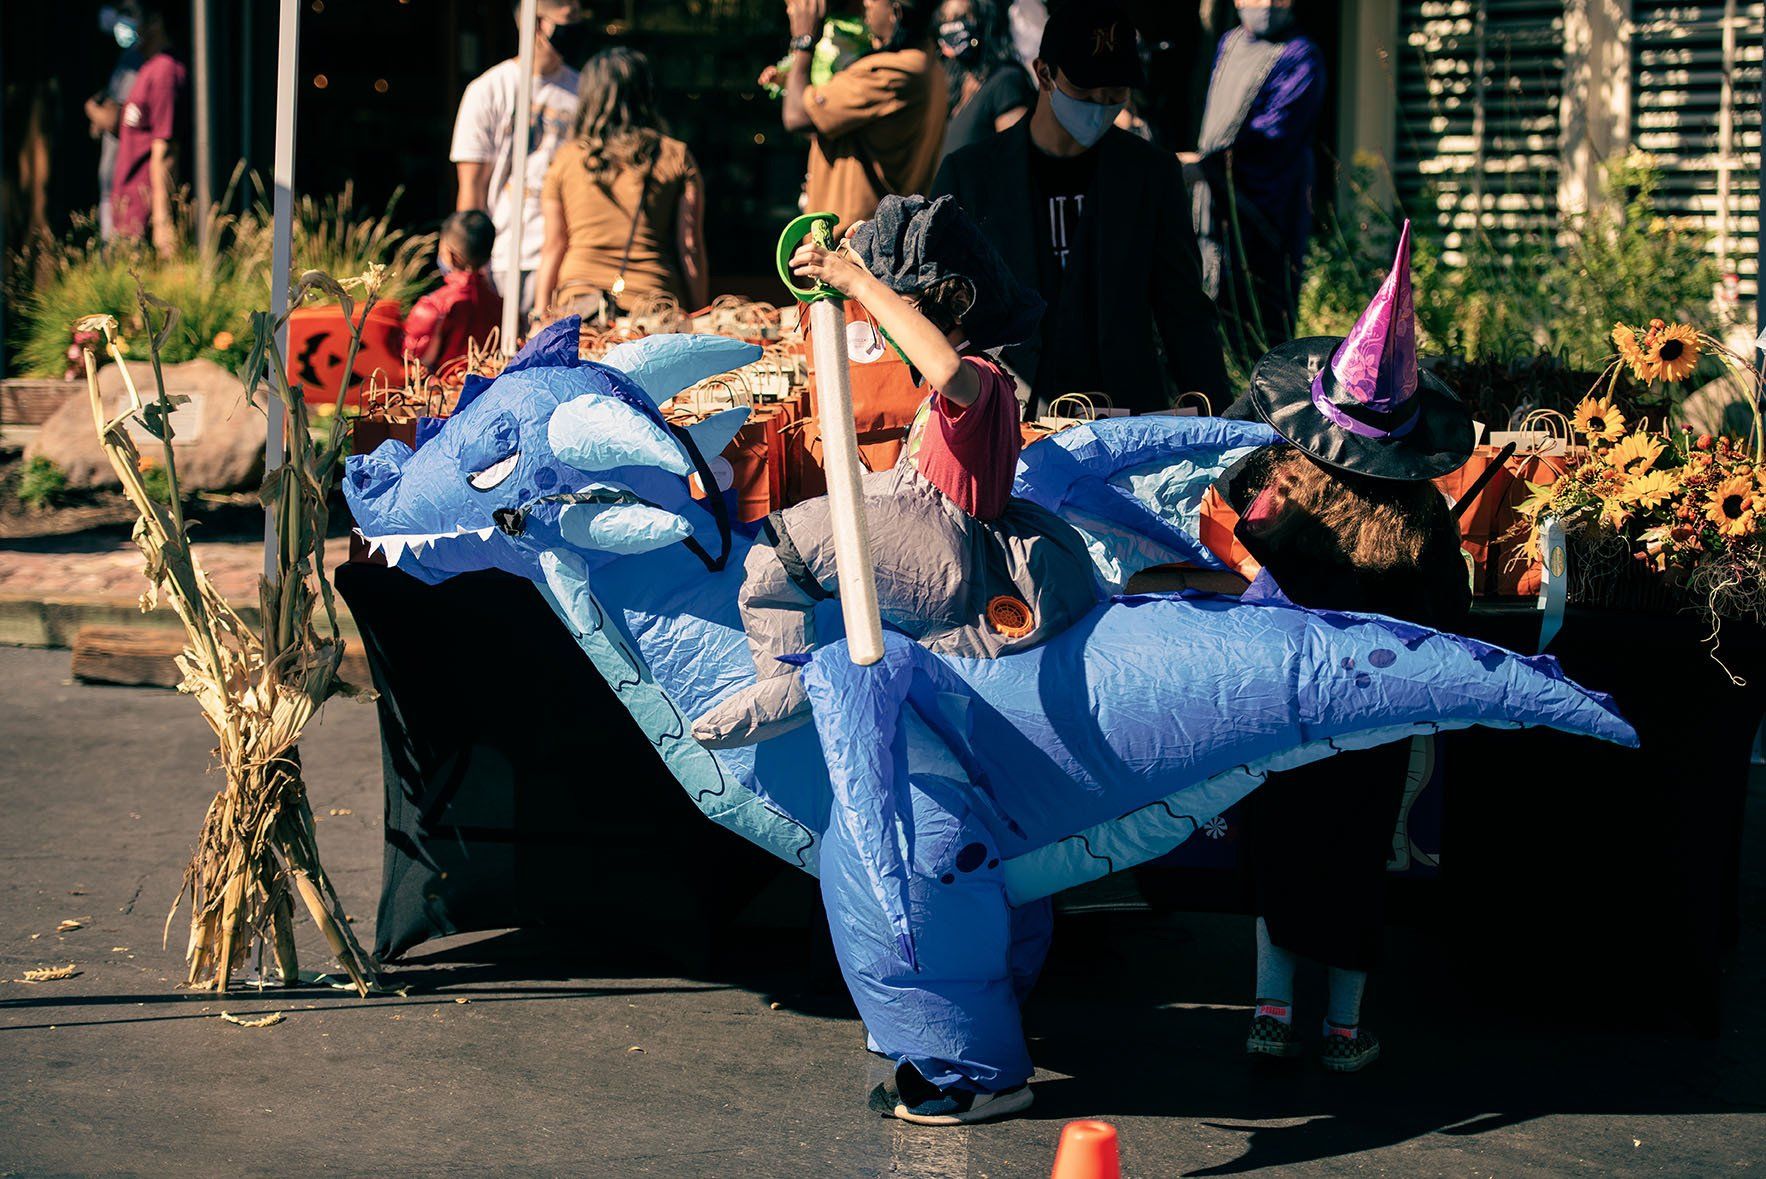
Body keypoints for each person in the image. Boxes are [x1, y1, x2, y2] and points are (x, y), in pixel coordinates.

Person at [1220, 221, 1473, 1073]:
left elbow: (1221, 476)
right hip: (1374, 729)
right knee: (1357, 865)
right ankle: (1342, 1028)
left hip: (1281, 714)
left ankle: (1268, 1011)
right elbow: (1451, 619)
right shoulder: (1426, 523)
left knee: (1278, 856)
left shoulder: (1279, 494)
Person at [932, 3, 1229, 417]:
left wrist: (1223, 421)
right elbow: (939, 310)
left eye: (1115, 95)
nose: (1100, 107)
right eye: (1085, 93)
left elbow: (1183, 311)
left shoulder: (1150, 173)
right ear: (1044, 73)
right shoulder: (971, 175)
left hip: (1124, 414)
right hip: (1012, 414)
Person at [1182, 0, 1325, 359]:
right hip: (1213, 202)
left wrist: (1207, 167)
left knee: (1261, 324)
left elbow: (1273, 138)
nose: (1269, 4)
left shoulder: (1301, 56)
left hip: (1269, 206)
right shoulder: (1228, 43)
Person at [533, 48, 708, 324]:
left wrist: (539, 314)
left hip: (579, 307)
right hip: (653, 307)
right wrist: (700, 315)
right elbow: (690, 246)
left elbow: (554, 245)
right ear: (646, 93)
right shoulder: (675, 155)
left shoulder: (566, 160)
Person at [450, 0, 590, 317]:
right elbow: (472, 186)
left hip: (566, 261)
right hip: (504, 257)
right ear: (537, 23)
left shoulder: (582, 91)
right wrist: (473, 264)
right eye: (568, 20)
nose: (577, 29)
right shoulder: (488, 90)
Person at [776, 0, 948, 232]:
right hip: (876, 240)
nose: (865, 4)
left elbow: (797, 116)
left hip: (856, 246)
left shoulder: (892, 73)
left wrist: (804, 40)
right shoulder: (928, 65)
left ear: (894, 13)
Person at [109, 1, 184, 257]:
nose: (132, 25)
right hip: (127, 212)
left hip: (145, 218)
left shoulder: (165, 70)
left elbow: (164, 148)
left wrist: (162, 223)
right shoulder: (147, 68)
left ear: (155, 22)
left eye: (136, 16)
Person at [402, 210, 503, 370]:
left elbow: (414, 364)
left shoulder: (433, 306)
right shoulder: (501, 306)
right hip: (486, 388)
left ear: (449, 254)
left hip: (443, 391)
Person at [935, 0, 1032, 163]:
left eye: (961, 17)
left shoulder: (1006, 83)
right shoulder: (956, 90)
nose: (950, 28)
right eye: (946, 20)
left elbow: (1017, 162)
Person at [85, 7, 144, 241]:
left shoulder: (136, 60)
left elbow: (114, 119)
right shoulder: (126, 58)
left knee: (118, 252)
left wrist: (90, 109)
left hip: (124, 182)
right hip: (114, 181)